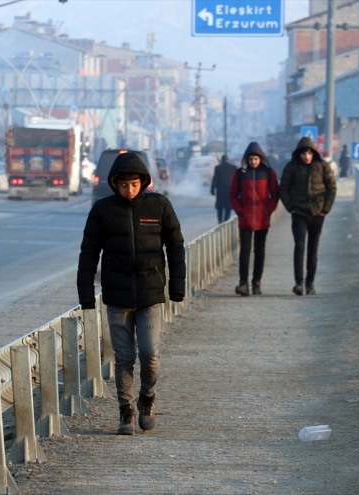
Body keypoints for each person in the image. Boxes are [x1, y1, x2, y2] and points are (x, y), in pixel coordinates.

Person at [77, 152, 186, 436]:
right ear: (115, 183)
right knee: (124, 358)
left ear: (143, 182)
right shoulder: (103, 210)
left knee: (150, 354)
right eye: (124, 185)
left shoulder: (159, 205)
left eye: (134, 184)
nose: (129, 190)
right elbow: (88, 253)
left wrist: (177, 287)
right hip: (117, 296)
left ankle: (147, 400)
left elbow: (175, 246)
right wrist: (86, 295)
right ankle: (125, 411)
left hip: (150, 294)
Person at [279, 136, 337, 296]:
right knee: (299, 247)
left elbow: (331, 188)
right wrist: (290, 208)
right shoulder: (291, 167)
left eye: (309, 153)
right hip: (298, 213)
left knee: (313, 249)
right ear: (299, 154)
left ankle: (310, 283)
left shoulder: (322, 166)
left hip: (317, 214)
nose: (306, 156)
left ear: (314, 153)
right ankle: (299, 283)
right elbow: (283, 189)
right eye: (303, 153)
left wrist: (325, 209)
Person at [229, 142, 280, 296]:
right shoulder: (240, 173)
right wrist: (240, 211)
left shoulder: (269, 173)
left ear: (261, 159)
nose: (253, 162)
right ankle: (243, 283)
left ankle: (256, 282)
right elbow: (233, 195)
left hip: (262, 218)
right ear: (247, 159)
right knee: (244, 251)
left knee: (260, 252)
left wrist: (268, 210)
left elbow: (275, 194)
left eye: (256, 159)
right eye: (251, 159)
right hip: (246, 219)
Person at [210, 154, 238, 223]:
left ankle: (220, 221)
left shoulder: (218, 168)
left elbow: (215, 179)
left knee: (220, 208)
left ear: (221, 160)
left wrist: (212, 190)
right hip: (229, 191)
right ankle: (226, 221)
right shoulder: (233, 167)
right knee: (228, 207)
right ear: (228, 160)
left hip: (220, 191)